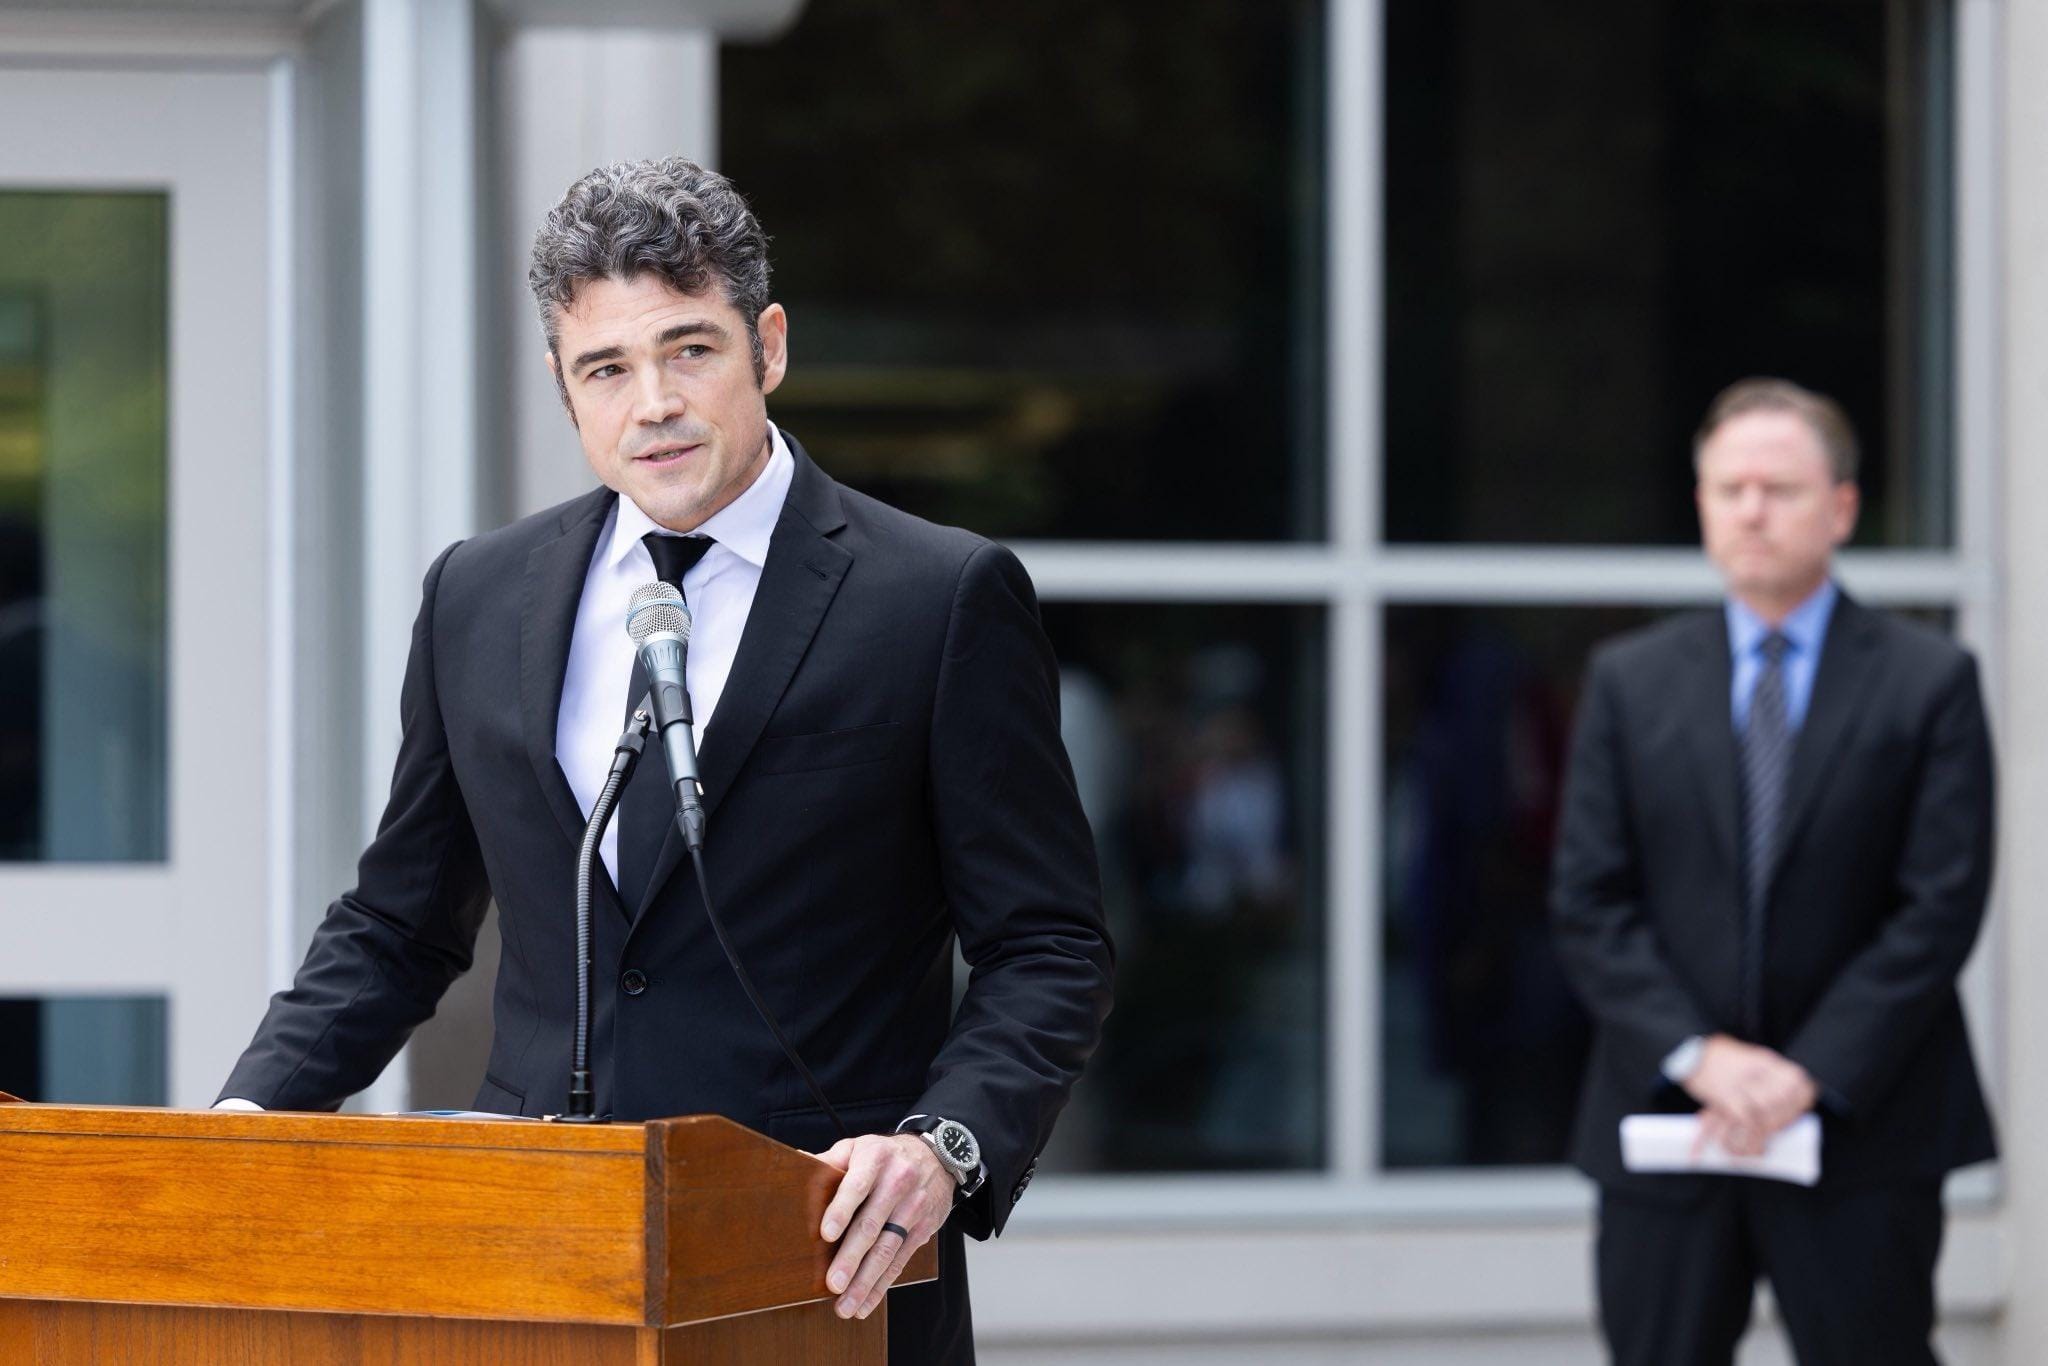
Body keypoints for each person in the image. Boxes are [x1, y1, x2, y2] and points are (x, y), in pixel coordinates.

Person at [215, 157, 1115, 1365]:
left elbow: (1047, 945)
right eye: (605, 368)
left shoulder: (937, 597)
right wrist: (248, 1116)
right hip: (530, 1263)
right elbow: (400, 919)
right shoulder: (477, 593)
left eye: (689, 351)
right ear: (563, 388)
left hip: (817, 1261)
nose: (653, 404)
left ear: (768, 348)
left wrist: (942, 1147)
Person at [1550, 377, 1996, 1365]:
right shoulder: (1628, 680)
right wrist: (1700, 1057)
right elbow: (1588, 902)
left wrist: (1806, 1073)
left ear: (1841, 507)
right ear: (1702, 504)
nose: (1750, 511)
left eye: (1779, 489)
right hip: (1669, 1121)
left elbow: (1939, 905)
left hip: (1861, 1125)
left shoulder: (1928, 680)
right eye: (1729, 489)